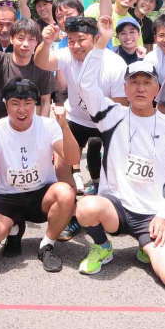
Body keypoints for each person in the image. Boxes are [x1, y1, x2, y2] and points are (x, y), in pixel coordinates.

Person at [72, 26, 165, 285]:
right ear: (125, 88)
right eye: (134, 82)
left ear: (157, 88)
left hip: (151, 214)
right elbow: (86, 85)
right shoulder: (111, 116)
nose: (140, 88)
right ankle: (102, 246)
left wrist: (164, 215)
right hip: (116, 208)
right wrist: (100, 44)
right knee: (86, 207)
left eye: (146, 82)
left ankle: (145, 246)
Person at [0, 80, 79, 272]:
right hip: (7, 196)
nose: (22, 110)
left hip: (41, 194)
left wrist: (64, 126)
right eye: (15, 103)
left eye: (28, 103)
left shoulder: (48, 125)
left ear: (35, 104)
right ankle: (14, 227)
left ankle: (47, 245)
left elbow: (73, 158)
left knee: (65, 193)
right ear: (6, 104)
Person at [34, 15, 127, 197]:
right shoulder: (67, 55)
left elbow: (120, 104)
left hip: (106, 120)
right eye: (71, 40)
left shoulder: (115, 64)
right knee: (61, 162)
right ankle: (69, 202)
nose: (75, 46)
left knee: (115, 165)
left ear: (96, 38)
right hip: (76, 118)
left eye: (81, 40)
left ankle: (109, 198)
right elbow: (41, 62)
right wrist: (46, 43)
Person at [0, 14, 54, 120]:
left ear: (36, 42)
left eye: (31, 39)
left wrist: (42, 127)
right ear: (11, 39)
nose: (25, 44)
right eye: (20, 38)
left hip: (24, 124)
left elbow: (45, 101)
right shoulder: (0, 59)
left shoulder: (42, 67)